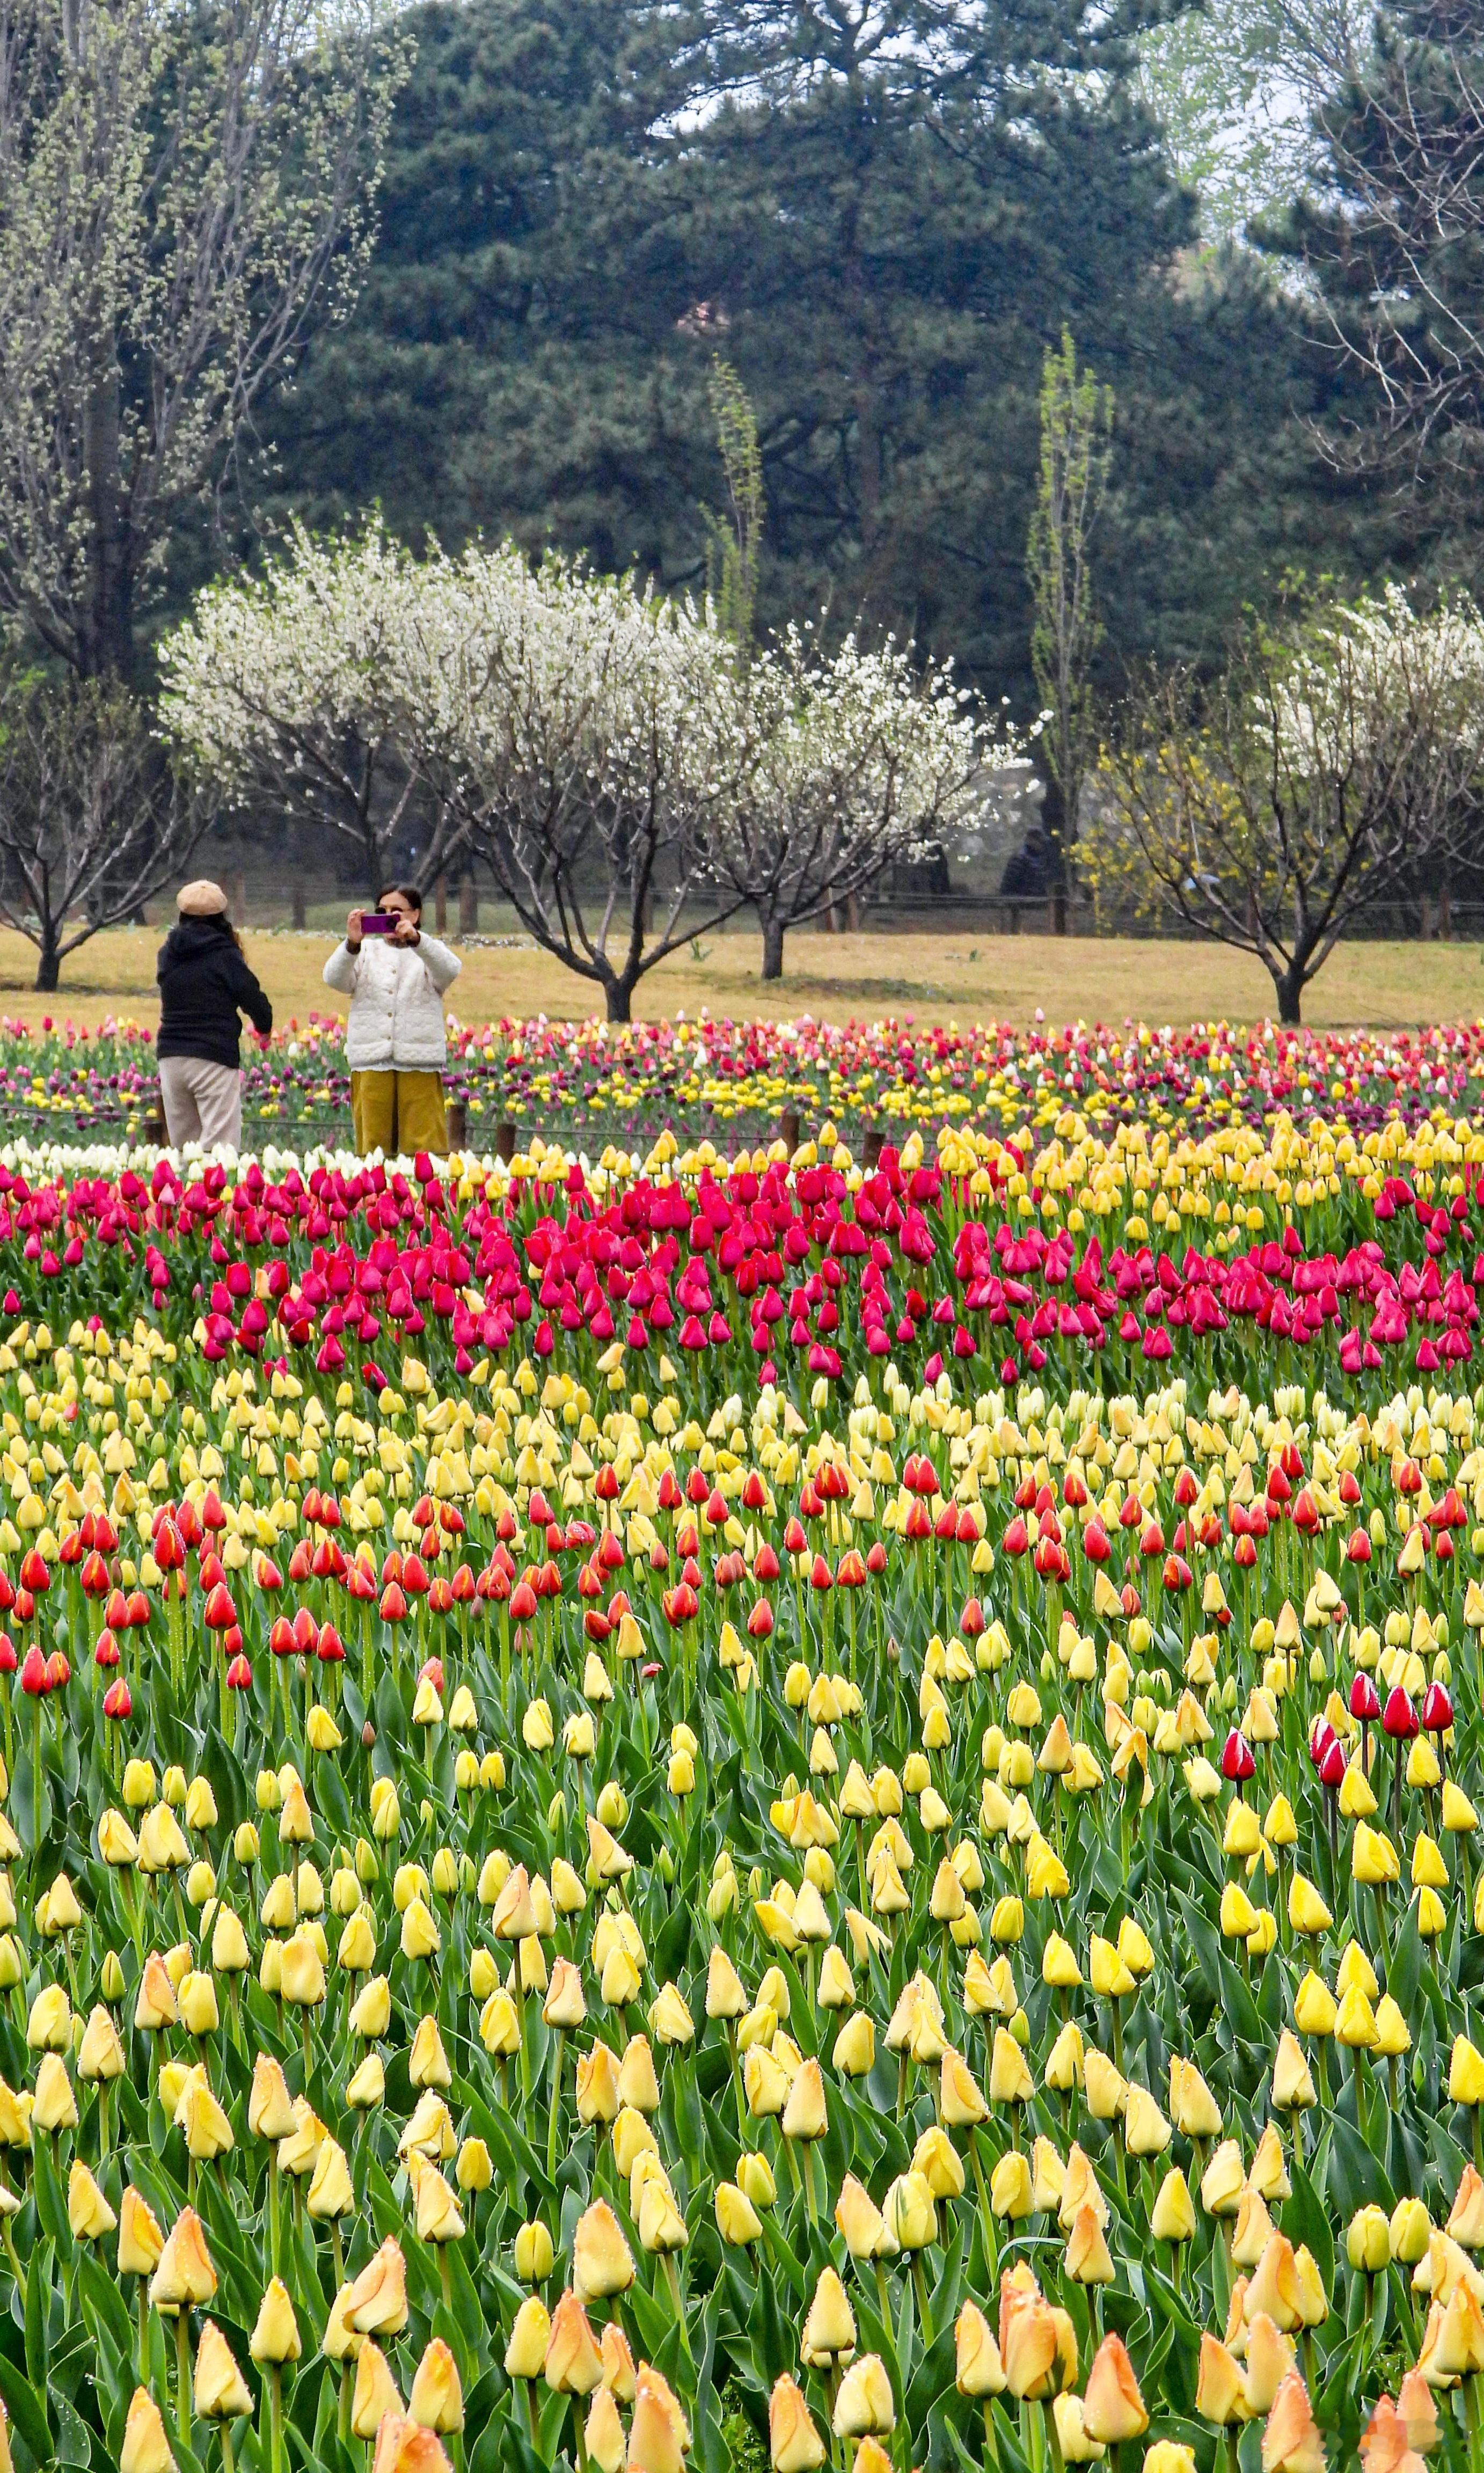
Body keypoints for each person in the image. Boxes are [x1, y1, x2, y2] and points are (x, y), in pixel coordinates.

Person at [323, 884, 462, 1155]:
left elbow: (450, 970)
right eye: (381, 911)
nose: (388, 916)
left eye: (396, 911)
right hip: (372, 1061)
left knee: (425, 1149)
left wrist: (417, 940)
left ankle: (423, 1197)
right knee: (374, 1147)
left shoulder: (427, 952)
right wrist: (352, 942)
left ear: (416, 914)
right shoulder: (364, 951)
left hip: (418, 1062)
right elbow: (334, 979)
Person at [156, 881, 273, 1153]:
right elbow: (250, 995)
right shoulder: (224, 955)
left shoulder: (168, 953)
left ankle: (183, 1195)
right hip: (213, 1056)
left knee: (185, 1151)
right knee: (219, 1151)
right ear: (221, 917)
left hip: (172, 1056)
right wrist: (264, 1024)